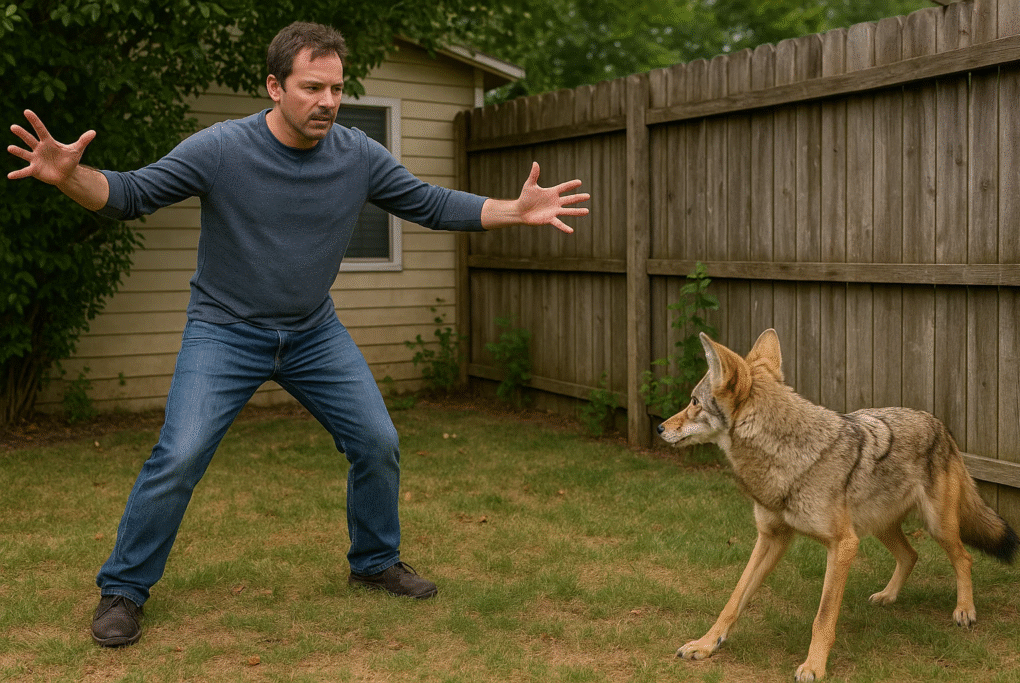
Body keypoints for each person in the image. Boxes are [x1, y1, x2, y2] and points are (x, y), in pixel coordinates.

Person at [6, 21, 589, 648]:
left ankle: (374, 562)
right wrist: (69, 176)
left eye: (336, 89)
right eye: (312, 88)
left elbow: (430, 203)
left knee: (377, 442)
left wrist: (513, 210)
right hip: (225, 330)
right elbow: (131, 194)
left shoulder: (357, 154)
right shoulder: (221, 148)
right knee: (180, 455)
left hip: (313, 333)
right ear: (274, 87)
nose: (328, 102)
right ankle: (123, 589)